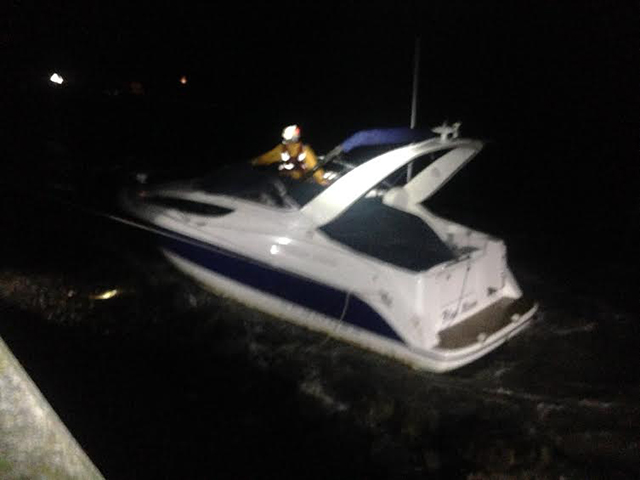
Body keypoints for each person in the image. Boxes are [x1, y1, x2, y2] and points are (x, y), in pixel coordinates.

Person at [251, 125, 327, 185]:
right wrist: (321, 180)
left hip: (287, 180)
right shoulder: (303, 149)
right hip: (294, 180)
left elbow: (267, 157)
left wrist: (255, 162)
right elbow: (313, 165)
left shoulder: (282, 148)